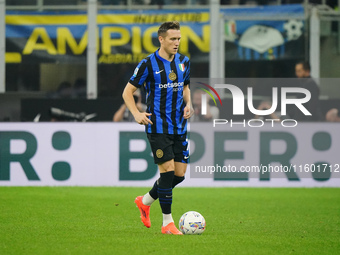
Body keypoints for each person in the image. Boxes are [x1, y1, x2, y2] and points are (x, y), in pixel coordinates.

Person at [122, 21, 193, 235]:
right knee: (168, 171)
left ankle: (144, 201)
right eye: (172, 39)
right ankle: (167, 224)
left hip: (179, 126)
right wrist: (136, 113)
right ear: (161, 39)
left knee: (178, 175)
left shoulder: (184, 61)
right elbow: (127, 92)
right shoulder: (148, 64)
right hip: (157, 126)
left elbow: (186, 85)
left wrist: (188, 104)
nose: (177, 43)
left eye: (179, 38)